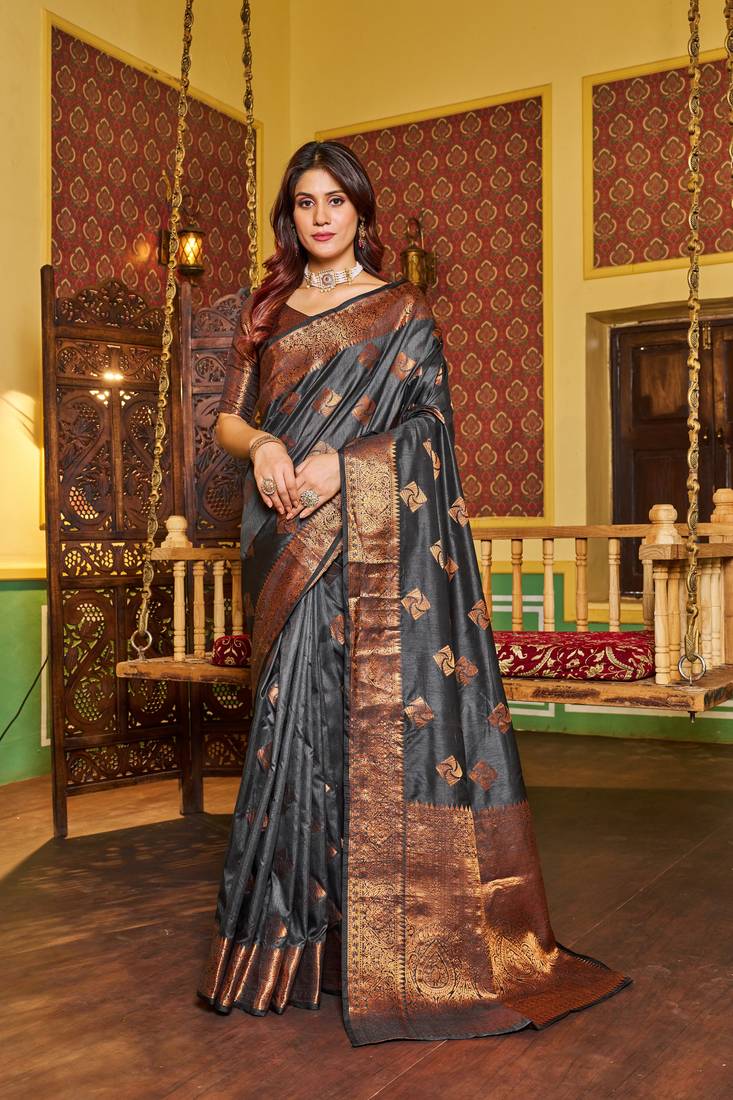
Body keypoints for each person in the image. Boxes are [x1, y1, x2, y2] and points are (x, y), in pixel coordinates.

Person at [197, 139, 630, 1046]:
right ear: (290, 215)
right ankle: (288, 945)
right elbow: (229, 418)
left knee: (366, 727)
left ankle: (393, 942)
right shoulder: (266, 309)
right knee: (289, 724)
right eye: (305, 202)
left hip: (368, 541)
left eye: (336, 201)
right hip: (282, 536)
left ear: (360, 211)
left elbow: (430, 424)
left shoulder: (402, 311)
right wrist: (266, 447)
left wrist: (344, 464)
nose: (320, 216)